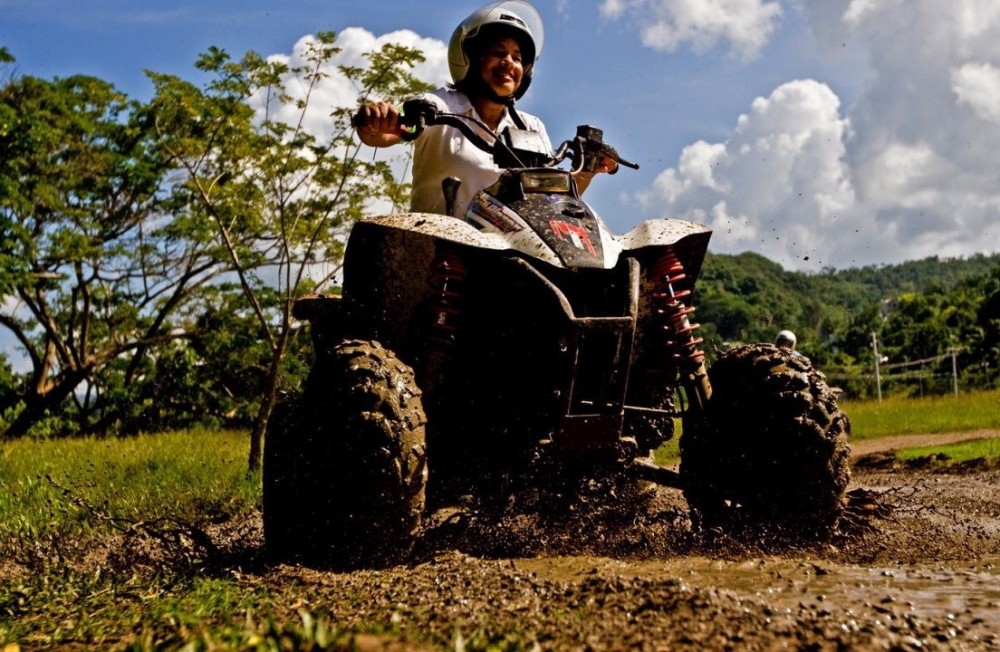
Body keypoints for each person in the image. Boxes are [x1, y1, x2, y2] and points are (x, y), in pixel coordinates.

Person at [354, 0, 618, 218]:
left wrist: (586, 171)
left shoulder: (531, 128)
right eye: (498, 52)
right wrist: (377, 121)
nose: (509, 63)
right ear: (472, 58)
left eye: (517, 57)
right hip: (436, 252)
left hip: (508, 258)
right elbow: (395, 131)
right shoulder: (441, 104)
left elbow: (550, 202)